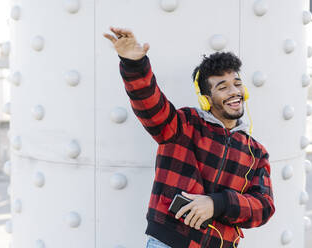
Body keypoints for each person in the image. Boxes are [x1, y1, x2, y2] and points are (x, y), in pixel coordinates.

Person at [103, 27, 275, 248]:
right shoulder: (183, 124)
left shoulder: (256, 152)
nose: (234, 92)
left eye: (237, 84)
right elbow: (148, 102)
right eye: (222, 87)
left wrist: (217, 204)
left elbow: (264, 206)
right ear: (206, 99)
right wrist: (134, 65)